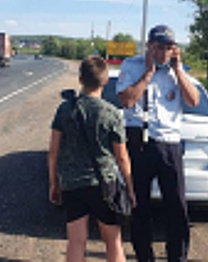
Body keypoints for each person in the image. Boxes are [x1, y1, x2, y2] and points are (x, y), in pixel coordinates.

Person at [116, 25, 200, 262]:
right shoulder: (132, 66)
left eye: (169, 48)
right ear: (149, 46)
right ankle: (145, 257)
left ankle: (178, 257)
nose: (164, 53)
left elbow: (193, 101)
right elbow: (126, 100)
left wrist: (179, 71)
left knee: (177, 206)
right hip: (139, 140)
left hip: (170, 143)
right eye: (159, 47)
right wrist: (148, 74)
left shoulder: (178, 70)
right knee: (140, 205)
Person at [48, 56, 137, 262]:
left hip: (72, 184)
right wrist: (130, 188)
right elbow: (122, 157)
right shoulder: (112, 113)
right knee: (113, 242)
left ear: (80, 80)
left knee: (76, 242)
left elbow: (54, 151)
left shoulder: (65, 109)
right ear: (106, 82)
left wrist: (54, 183)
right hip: (104, 185)